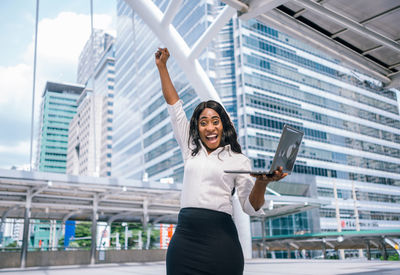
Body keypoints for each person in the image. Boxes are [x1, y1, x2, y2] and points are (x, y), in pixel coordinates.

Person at [155, 48, 287, 275]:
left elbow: (250, 206)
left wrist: (262, 183)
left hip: (221, 242)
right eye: (203, 122)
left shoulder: (238, 159)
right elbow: (175, 107)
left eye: (215, 121)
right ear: (197, 127)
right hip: (185, 240)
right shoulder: (190, 148)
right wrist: (162, 67)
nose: (209, 127)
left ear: (223, 125)